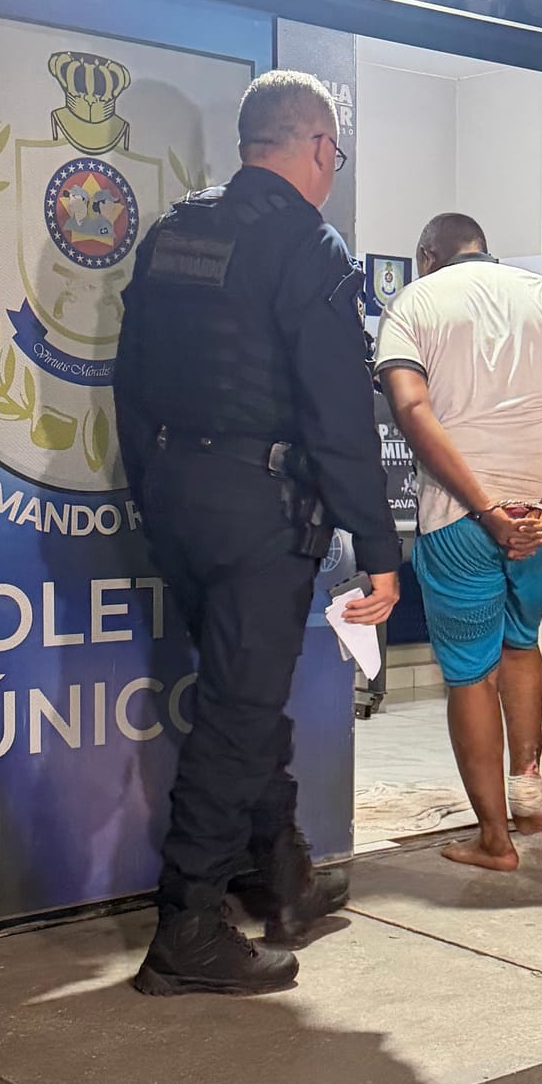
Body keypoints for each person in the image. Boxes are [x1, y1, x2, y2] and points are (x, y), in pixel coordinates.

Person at [113, 71, 400, 996]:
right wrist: (381, 548)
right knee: (238, 714)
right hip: (258, 512)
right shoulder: (308, 244)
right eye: (335, 153)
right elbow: (339, 415)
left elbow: (129, 378)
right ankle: (187, 927)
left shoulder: (173, 232)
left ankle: (278, 873)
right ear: (316, 146)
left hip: (177, 498)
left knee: (245, 689)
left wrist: (154, 487)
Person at [375, 213, 542, 870]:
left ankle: (494, 840)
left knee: (470, 675)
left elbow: (410, 408)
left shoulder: (414, 302)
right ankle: (529, 799)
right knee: (521, 641)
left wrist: (486, 509)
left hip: (460, 523)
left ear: (427, 255)